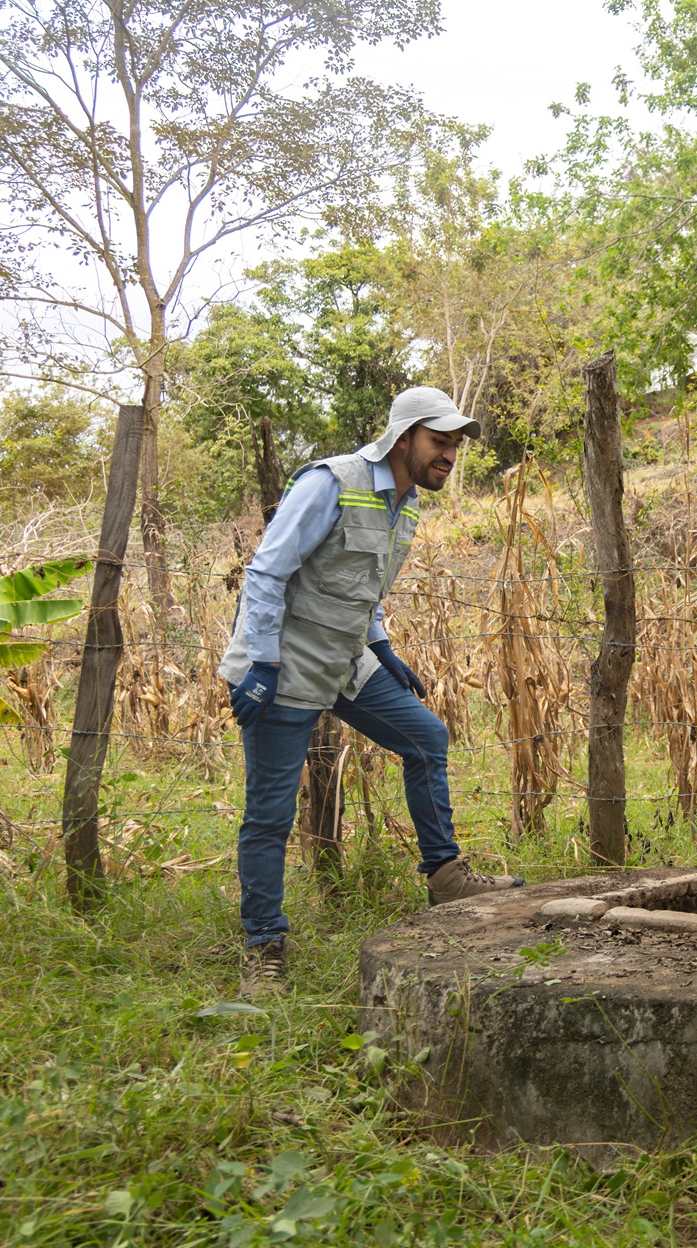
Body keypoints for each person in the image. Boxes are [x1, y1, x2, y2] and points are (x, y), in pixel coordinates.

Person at [218, 387, 525, 997]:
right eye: (440, 443)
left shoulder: (407, 504)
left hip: (346, 660)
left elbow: (362, 587)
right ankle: (264, 944)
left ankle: (444, 876)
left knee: (425, 736)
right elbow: (267, 571)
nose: (449, 456)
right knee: (271, 814)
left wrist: (382, 646)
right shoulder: (331, 483)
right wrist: (261, 662)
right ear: (403, 436)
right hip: (284, 665)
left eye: (456, 447)